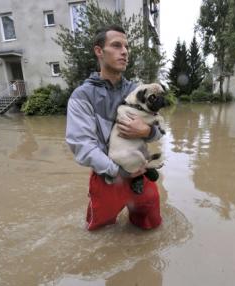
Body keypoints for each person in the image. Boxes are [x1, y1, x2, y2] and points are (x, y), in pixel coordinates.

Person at [65, 25, 163, 231]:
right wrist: (118, 172)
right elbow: (81, 145)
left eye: (126, 46)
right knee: (99, 236)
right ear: (99, 51)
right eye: (117, 45)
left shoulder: (138, 90)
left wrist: (146, 132)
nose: (125, 51)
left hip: (140, 173)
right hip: (107, 177)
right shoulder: (82, 96)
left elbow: (160, 131)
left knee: (151, 226)